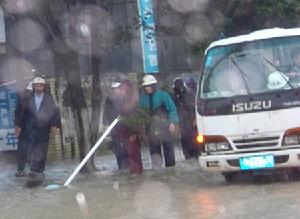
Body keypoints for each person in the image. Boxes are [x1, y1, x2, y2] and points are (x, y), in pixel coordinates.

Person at [21, 76, 60, 178]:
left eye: (40, 86)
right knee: (32, 149)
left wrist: (55, 125)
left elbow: (54, 112)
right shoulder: (28, 98)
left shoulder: (48, 98)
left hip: (44, 128)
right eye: (36, 86)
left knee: (42, 149)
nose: (38, 88)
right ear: (33, 87)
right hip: (31, 128)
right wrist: (20, 126)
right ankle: (33, 170)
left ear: (43, 87)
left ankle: (40, 170)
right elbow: (24, 113)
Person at [139, 74, 179, 168]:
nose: (147, 88)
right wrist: (143, 132)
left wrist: (172, 123)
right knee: (154, 150)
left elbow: (172, 109)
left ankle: (170, 168)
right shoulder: (143, 99)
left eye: (149, 86)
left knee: (168, 149)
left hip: (165, 125)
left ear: (153, 85)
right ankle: (157, 168)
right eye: (145, 87)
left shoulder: (163, 95)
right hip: (151, 128)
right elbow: (141, 116)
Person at [104, 79, 143, 174]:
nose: (115, 91)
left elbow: (135, 116)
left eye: (117, 88)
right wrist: (107, 124)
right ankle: (123, 169)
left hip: (127, 129)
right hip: (116, 129)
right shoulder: (109, 100)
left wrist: (134, 132)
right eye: (113, 89)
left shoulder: (129, 99)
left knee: (131, 151)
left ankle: (134, 171)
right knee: (119, 150)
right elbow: (107, 114)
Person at [173, 77, 199, 160]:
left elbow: (194, 107)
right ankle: (187, 155)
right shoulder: (174, 96)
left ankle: (196, 153)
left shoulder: (189, 95)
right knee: (184, 139)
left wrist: (195, 118)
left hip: (190, 120)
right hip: (181, 121)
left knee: (193, 138)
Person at [14, 81, 33, 177]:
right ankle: (20, 169)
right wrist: (17, 125)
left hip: (34, 127)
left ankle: (34, 170)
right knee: (22, 148)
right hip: (24, 126)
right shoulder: (22, 96)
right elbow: (18, 111)